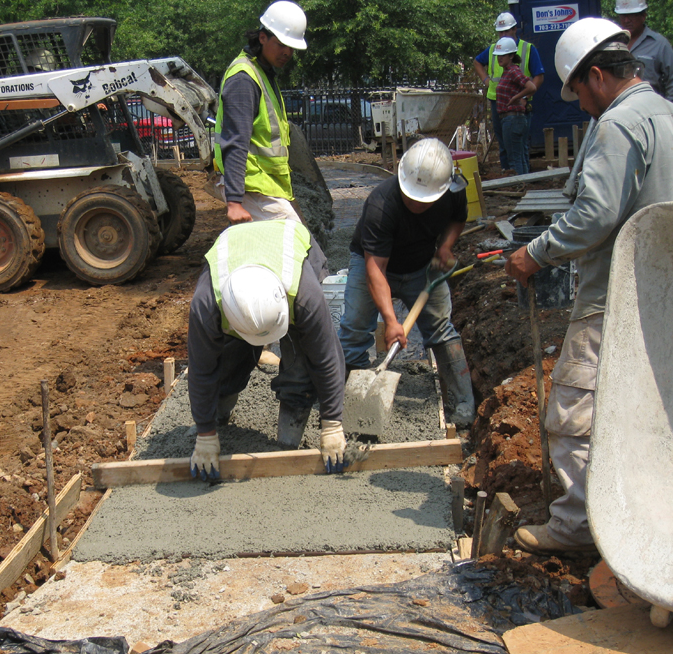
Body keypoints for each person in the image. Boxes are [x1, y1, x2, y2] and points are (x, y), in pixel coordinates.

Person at [505, 18, 673, 555]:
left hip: (613, 296)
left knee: (569, 415)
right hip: (672, 298)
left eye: (580, 95)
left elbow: (594, 215)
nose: (582, 108)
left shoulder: (618, 126)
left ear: (596, 75)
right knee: (648, 413)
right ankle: (643, 512)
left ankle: (579, 527)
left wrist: (534, 254)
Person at [187, 219, 347, 481]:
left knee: (300, 363)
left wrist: (332, 423)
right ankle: (218, 420)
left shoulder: (305, 296)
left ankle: (286, 444)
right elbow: (202, 369)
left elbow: (327, 358)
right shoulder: (206, 305)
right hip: (235, 264)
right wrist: (205, 433)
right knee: (229, 358)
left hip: (298, 259)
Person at [338, 139, 475, 429]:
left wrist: (446, 247)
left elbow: (458, 219)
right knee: (354, 327)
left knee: (441, 328)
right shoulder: (381, 203)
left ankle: (463, 402)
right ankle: (349, 402)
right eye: (411, 196)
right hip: (373, 263)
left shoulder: (453, 189)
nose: (415, 203)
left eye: (423, 199)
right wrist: (390, 320)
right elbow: (376, 269)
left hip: (423, 265)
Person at [213, 1, 307, 225]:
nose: (287, 52)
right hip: (249, 188)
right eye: (282, 44)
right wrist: (234, 202)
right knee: (304, 251)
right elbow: (236, 140)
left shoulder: (263, 74)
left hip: (265, 186)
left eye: (292, 47)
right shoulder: (245, 79)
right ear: (262, 37)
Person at [473, 12, 545, 174]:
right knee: (505, 144)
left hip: (519, 107)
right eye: (500, 32)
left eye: (506, 31)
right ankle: (511, 174)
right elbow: (477, 62)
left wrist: (524, 97)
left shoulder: (527, 49)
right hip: (497, 102)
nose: (503, 35)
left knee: (519, 145)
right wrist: (486, 81)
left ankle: (519, 176)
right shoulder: (494, 49)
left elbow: (538, 77)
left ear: (515, 30)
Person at [614, 0, 673, 106]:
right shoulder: (613, 44)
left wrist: (671, 112)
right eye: (623, 16)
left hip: (651, 111)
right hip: (619, 111)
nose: (627, 20)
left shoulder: (659, 44)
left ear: (643, 16)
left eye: (631, 15)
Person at [494, 37, 538, 176]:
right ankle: (525, 185)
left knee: (514, 159)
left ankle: (520, 186)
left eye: (503, 55)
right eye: (498, 56)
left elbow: (531, 87)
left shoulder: (513, 71)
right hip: (513, 119)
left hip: (512, 119)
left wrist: (517, 97)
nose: (499, 58)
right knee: (519, 157)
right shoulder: (508, 71)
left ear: (511, 56)